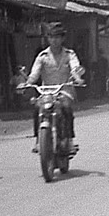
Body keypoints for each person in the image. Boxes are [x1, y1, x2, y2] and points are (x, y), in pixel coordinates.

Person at [20, 22, 84, 153]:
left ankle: (70, 141)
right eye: (51, 37)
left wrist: (77, 77)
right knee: (37, 108)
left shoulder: (69, 54)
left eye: (57, 37)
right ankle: (38, 141)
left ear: (62, 38)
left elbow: (75, 68)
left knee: (66, 109)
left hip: (64, 92)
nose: (54, 40)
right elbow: (34, 74)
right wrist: (27, 83)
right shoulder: (42, 56)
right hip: (46, 93)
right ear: (48, 38)